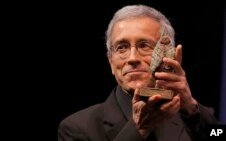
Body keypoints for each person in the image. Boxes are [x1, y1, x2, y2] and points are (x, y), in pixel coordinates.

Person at [58, 4, 218, 141]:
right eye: (122, 47)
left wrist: (190, 107)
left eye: (144, 45)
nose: (132, 58)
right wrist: (138, 130)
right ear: (111, 62)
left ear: (169, 54)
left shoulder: (193, 115)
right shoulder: (76, 128)